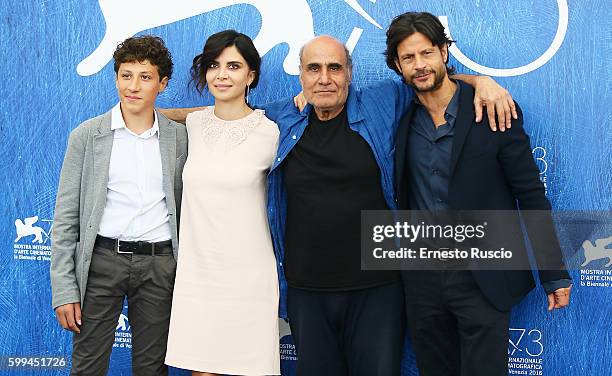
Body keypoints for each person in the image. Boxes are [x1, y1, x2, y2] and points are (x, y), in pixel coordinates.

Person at [162, 34, 514, 375]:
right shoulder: (282, 118)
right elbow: (229, 110)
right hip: (306, 288)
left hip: (378, 286)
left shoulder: (380, 103)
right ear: (300, 75)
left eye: (335, 67)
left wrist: (479, 81)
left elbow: (428, 81)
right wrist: (157, 112)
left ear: (350, 71)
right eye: (314, 69)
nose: (325, 78)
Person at [387, 12, 572, 376]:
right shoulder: (396, 116)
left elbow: (531, 195)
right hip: (421, 281)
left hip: (484, 276)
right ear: (397, 64)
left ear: (444, 51)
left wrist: (554, 273)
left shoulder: (493, 110)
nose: (420, 65)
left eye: (426, 53)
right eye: (408, 58)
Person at [50, 35, 187, 375]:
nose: (133, 86)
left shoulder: (179, 138)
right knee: (88, 366)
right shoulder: (86, 136)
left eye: (145, 76)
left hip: (160, 265)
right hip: (101, 262)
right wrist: (64, 289)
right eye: (126, 75)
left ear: (163, 83)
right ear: (115, 78)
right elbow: (66, 218)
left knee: (152, 368)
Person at [164, 30, 280, 376]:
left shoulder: (272, 132)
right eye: (214, 65)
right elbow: (152, 117)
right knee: (201, 369)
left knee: (251, 367)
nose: (221, 74)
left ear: (251, 75)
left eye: (233, 65)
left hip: (249, 276)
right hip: (198, 274)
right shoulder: (194, 124)